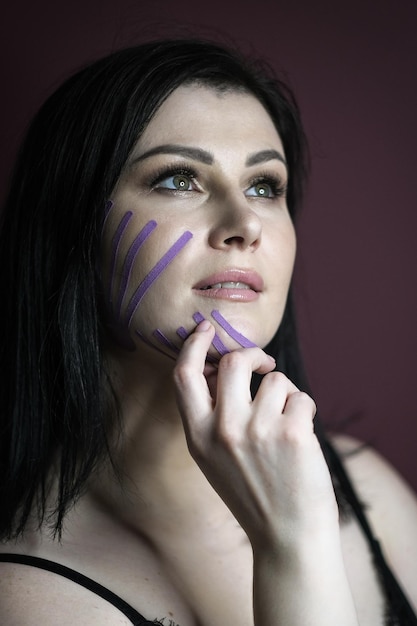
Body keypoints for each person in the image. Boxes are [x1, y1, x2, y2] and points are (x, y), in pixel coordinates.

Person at [0, 38, 416, 626]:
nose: (245, 223)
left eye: (265, 186)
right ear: (74, 229)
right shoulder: (27, 596)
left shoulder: (364, 483)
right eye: (177, 180)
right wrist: (293, 547)